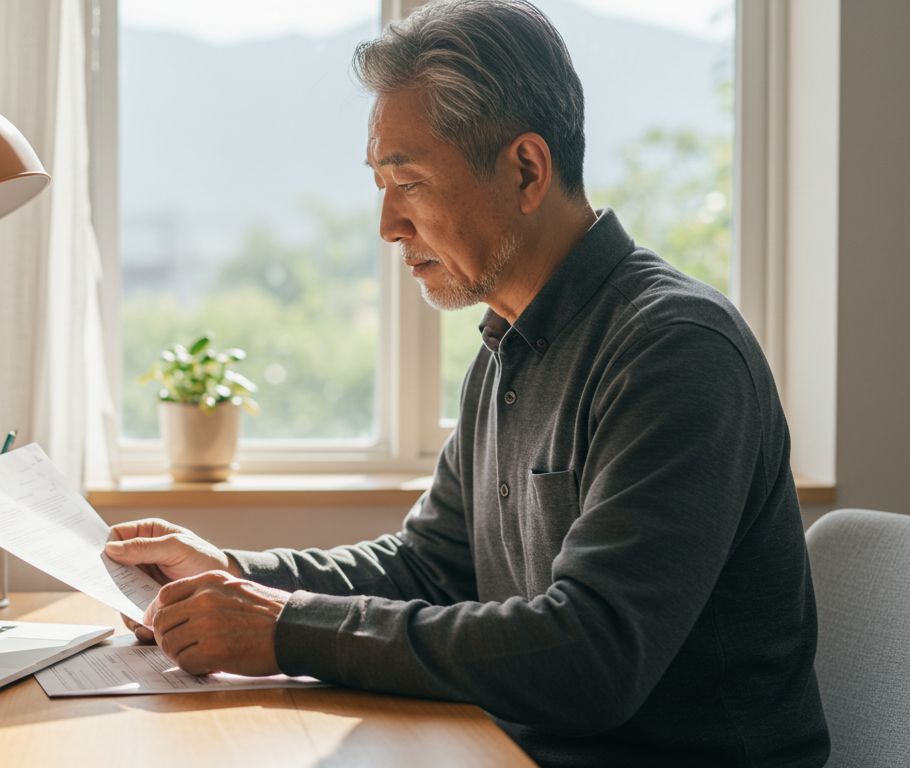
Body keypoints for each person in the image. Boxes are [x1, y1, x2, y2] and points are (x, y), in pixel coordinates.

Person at [104, 0, 830, 764]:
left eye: (408, 181)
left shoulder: (676, 350)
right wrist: (234, 576)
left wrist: (282, 625)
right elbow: (431, 567)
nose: (387, 223)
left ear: (525, 169)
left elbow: (594, 657)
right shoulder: (505, 351)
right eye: (379, 183)